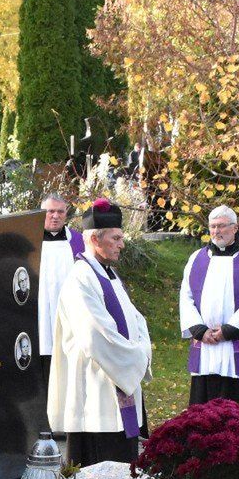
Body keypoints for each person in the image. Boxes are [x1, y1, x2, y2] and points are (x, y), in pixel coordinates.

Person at [47, 199, 151, 465]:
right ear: (94, 239)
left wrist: (139, 349)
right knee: (97, 475)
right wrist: (137, 357)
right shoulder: (81, 278)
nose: (122, 244)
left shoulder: (109, 275)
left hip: (116, 383)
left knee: (123, 467)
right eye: (116, 238)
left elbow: (137, 319)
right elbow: (97, 336)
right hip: (95, 395)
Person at [178, 204, 239, 408]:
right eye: (212, 226)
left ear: (235, 228)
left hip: (236, 342)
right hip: (206, 345)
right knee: (204, 408)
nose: (216, 231)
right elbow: (186, 297)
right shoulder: (196, 258)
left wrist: (228, 331)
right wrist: (199, 330)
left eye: (221, 226)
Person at [35, 195, 84, 372]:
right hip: (37, 312)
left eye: (60, 211)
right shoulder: (30, 242)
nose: (55, 216)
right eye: (50, 211)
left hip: (69, 311)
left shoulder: (78, 242)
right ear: (42, 213)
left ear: (66, 214)